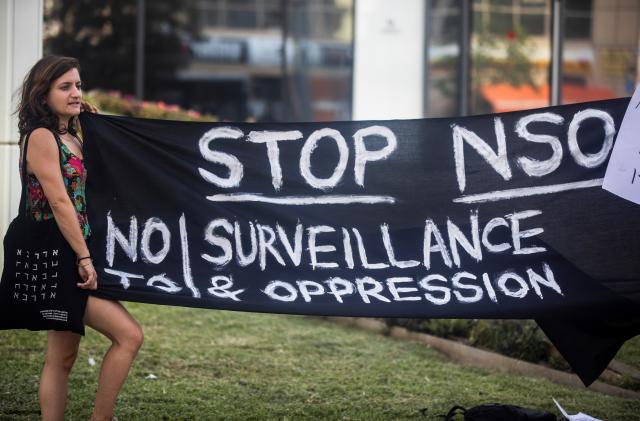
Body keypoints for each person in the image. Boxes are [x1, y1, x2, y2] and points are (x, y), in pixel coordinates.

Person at [16, 55, 144, 421]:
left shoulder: (71, 134)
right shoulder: (40, 138)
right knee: (129, 336)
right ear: (43, 95)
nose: (75, 92)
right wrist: (84, 258)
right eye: (65, 87)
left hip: (74, 252)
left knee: (62, 358)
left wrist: (89, 117)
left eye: (78, 85)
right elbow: (59, 201)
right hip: (59, 255)